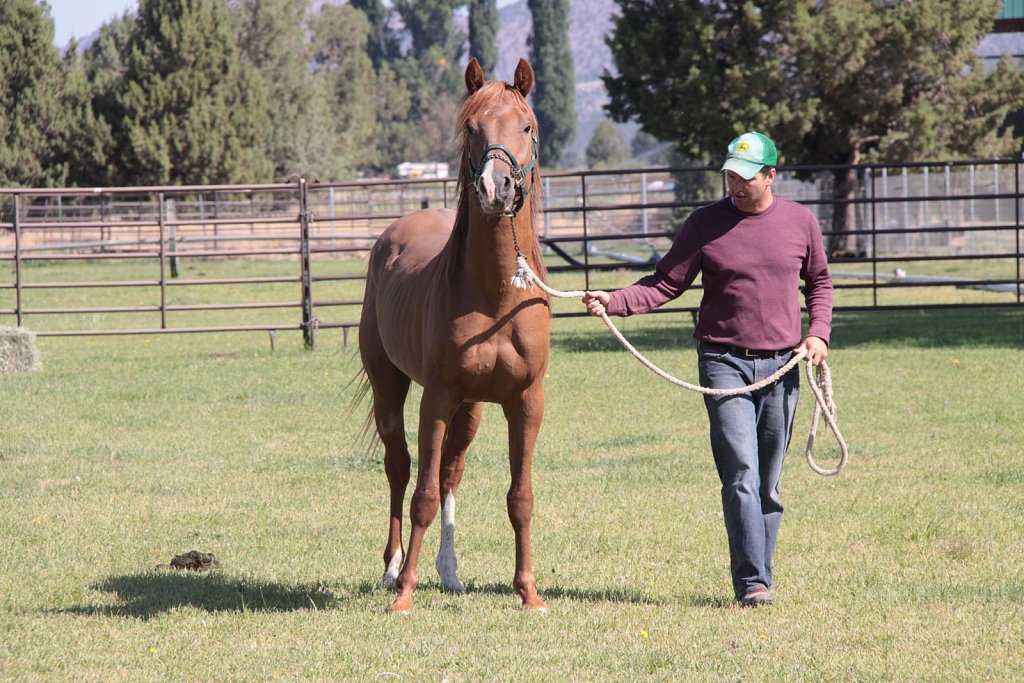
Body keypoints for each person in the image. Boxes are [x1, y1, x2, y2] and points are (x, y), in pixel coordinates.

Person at [582, 131, 833, 607]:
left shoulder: (800, 223)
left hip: (782, 365)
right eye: (729, 176)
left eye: (744, 178)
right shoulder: (704, 224)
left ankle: (760, 572)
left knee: (769, 484)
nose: (734, 186)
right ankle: (753, 585)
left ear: (770, 176)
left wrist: (818, 332)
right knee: (740, 472)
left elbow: (819, 281)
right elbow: (664, 283)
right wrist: (615, 302)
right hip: (723, 362)